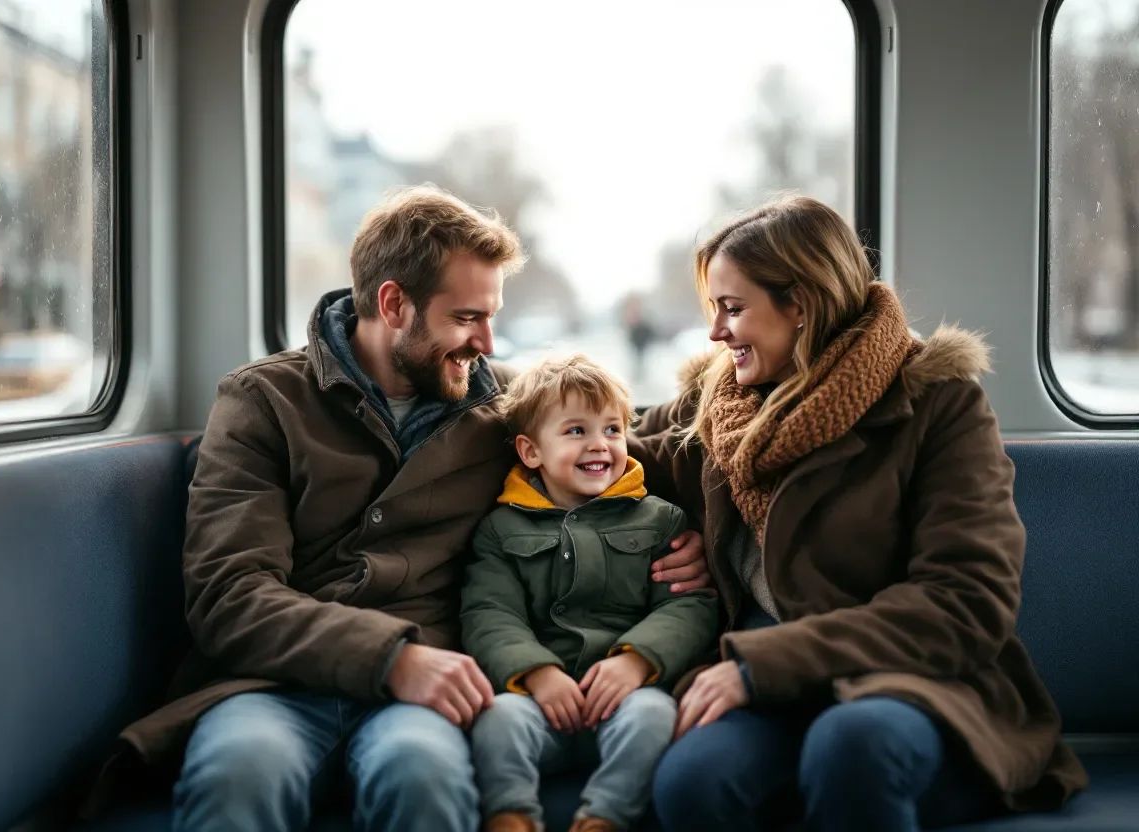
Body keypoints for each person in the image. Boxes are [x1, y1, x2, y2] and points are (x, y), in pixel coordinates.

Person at [83, 185, 710, 832]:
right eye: (467, 318)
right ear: (393, 304)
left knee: (422, 774)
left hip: (420, 705)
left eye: (491, 317)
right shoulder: (264, 403)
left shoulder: (498, 409)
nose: (488, 342)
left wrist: (681, 531)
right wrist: (393, 659)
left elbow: (624, 441)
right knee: (240, 772)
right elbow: (229, 594)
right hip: (271, 687)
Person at [637, 196, 1087, 831]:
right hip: (769, 692)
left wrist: (761, 665)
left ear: (799, 304)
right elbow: (595, 444)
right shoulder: (720, 407)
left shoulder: (937, 404)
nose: (715, 333)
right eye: (714, 309)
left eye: (733, 309)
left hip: (913, 684)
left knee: (851, 748)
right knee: (694, 781)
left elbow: (966, 601)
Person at [462, 355, 718, 832]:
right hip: (538, 697)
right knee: (498, 719)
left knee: (654, 716)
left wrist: (636, 661)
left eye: (613, 430)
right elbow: (489, 612)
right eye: (576, 431)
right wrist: (535, 673)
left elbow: (688, 603)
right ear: (531, 451)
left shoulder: (660, 520)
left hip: (627, 693)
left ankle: (604, 816)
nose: (600, 444)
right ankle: (512, 814)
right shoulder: (501, 529)